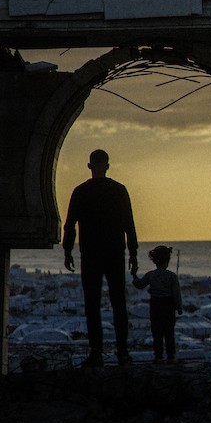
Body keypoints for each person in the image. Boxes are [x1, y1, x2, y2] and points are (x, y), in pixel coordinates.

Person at [62, 149, 138, 366]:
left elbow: (70, 226)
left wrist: (67, 251)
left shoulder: (80, 191)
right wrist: (133, 253)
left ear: (90, 166)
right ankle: (122, 353)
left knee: (92, 305)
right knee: (118, 303)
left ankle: (96, 353)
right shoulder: (119, 190)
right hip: (115, 254)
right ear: (107, 166)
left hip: (91, 255)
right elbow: (129, 225)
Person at [133, 245, 183, 363]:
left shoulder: (151, 275)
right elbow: (176, 294)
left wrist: (134, 275)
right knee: (169, 331)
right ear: (168, 260)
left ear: (154, 260)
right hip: (168, 305)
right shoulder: (171, 276)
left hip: (155, 304)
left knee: (157, 331)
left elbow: (139, 285)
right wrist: (179, 307)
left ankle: (158, 355)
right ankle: (171, 355)